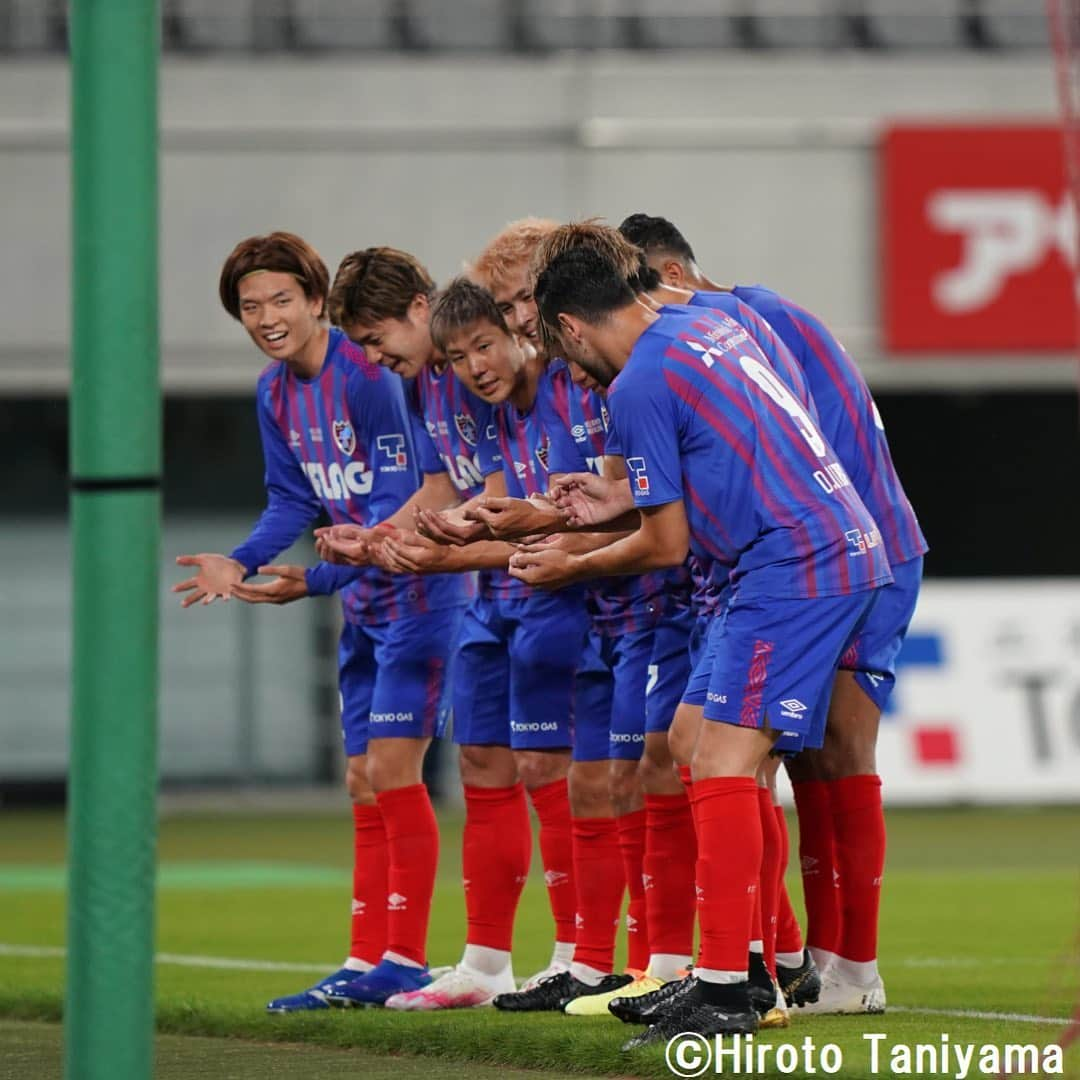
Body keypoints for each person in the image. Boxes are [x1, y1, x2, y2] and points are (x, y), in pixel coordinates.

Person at [510, 247, 892, 1048]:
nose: (568, 367)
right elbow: (725, 447)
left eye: (559, 346)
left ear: (572, 326)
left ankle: (728, 986)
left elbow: (664, 545)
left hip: (792, 563)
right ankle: (755, 964)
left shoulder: (638, 384)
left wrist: (569, 564)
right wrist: (616, 493)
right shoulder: (701, 321)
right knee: (693, 742)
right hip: (812, 542)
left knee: (722, 761)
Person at [621, 213, 928, 1013]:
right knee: (786, 756)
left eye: (643, 294)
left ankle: (847, 969)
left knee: (835, 752)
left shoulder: (750, 323)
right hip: (811, 553)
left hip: (858, 549)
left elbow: (789, 451)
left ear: (670, 278)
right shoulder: (739, 323)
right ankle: (792, 961)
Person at [173, 231, 466, 1011]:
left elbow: (405, 507)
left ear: (315, 301)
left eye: (280, 299)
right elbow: (293, 500)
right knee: (362, 779)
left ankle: (403, 959)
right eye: (248, 307)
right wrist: (239, 561)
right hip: (363, 596)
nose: (266, 318)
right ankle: (364, 959)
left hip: (418, 593)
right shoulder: (273, 393)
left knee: (396, 773)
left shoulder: (370, 374)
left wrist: (317, 579)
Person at [318, 246, 574, 1008]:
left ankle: (575, 954)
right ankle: (486, 963)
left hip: (538, 581)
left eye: (375, 338)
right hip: (487, 588)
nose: (371, 357)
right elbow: (439, 488)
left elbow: (497, 502)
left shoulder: (484, 377)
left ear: (421, 309)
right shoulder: (423, 384)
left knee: (557, 774)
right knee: (484, 770)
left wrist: (428, 552)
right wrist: (379, 536)